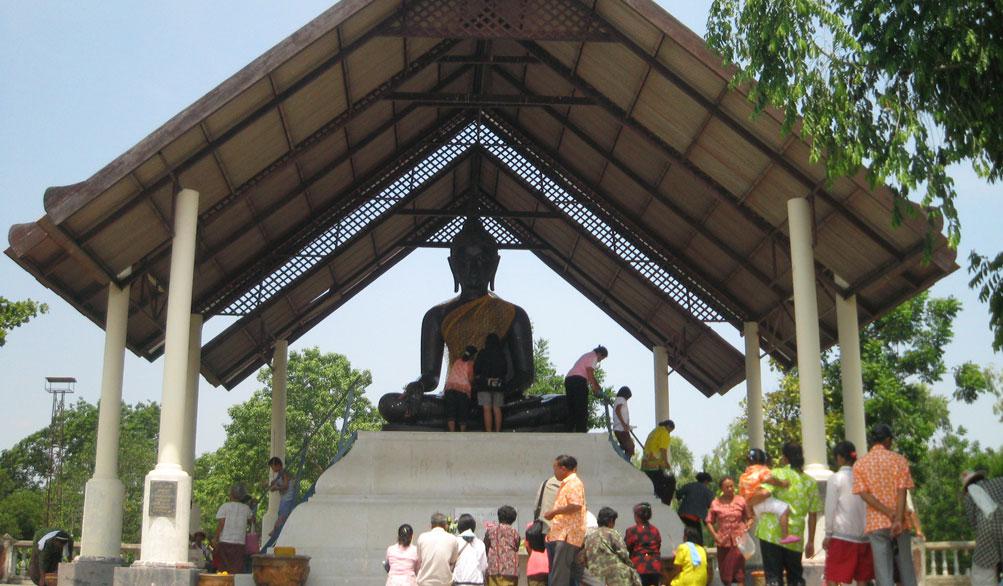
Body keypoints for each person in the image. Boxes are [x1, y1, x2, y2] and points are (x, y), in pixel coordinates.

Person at [391, 219, 534, 421]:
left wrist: (493, 393)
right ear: (453, 266)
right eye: (465, 262)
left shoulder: (514, 314)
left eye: (481, 261)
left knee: (562, 404)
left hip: (500, 399)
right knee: (392, 405)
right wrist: (418, 386)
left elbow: (525, 376)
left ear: (494, 265)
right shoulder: (436, 316)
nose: (473, 269)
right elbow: (431, 376)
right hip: (455, 397)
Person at [852, 423, 917, 586]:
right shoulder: (899, 460)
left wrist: (887, 512)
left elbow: (864, 494)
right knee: (906, 569)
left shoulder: (860, 464)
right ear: (887, 440)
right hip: (900, 523)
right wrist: (898, 518)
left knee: (883, 573)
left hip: (877, 523)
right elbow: (902, 491)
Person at [753, 443, 821, 586]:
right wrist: (810, 541)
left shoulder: (777, 473)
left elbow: (764, 493)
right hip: (795, 536)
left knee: (773, 578)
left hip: (771, 533)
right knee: (796, 578)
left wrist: (750, 498)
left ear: (785, 458)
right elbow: (813, 514)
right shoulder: (810, 482)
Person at [823, 441, 873, 586]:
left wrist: (828, 534)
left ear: (839, 457)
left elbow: (830, 508)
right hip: (864, 536)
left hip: (842, 535)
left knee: (833, 575)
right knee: (862, 578)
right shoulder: (864, 478)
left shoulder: (835, 478)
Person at [739, 448, 800, 544]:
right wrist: (782, 483)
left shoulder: (743, 476)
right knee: (785, 508)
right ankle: (785, 536)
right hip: (764, 502)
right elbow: (770, 480)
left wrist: (750, 513)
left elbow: (743, 495)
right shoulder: (763, 470)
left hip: (755, 507)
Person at [543, 454, 587, 586]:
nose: (554, 472)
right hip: (566, 536)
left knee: (559, 577)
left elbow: (575, 505)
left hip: (566, 536)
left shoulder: (573, 483)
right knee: (577, 572)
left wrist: (553, 512)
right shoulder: (568, 483)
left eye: (555, 468)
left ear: (563, 468)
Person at [580, 506, 641, 585]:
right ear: (611, 521)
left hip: (594, 576)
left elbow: (581, 557)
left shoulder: (588, 535)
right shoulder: (612, 533)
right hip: (614, 576)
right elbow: (624, 554)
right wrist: (632, 567)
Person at [706, 476, 750, 586]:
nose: (730, 489)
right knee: (726, 575)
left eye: (731, 486)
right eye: (727, 487)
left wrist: (747, 526)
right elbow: (708, 521)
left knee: (740, 574)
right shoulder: (715, 503)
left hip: (740, 541)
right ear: (722, 488)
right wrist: (715, 536)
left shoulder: (741, 500)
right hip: (723, 543)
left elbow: (750, 517)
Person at [962, 470, 1003, 586]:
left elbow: (974, 523)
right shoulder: (1000, 481)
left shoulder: (969, 495)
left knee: (982, 572)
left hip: (987, 531)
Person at [564, 345, 607, 432]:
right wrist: (596, 388)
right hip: (578, 380)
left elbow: (588, 375)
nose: (599, 361)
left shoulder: (587, 355)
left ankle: (569, 430)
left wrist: (596, 386)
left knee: (572, 409)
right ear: (600, 354)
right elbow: (589, 372)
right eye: (601, 359)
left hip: (569, 380)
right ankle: (581, 432)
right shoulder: (594, 356)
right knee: (581, 409)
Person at [214, 482, 253, 574]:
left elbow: (221, 524)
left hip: (225, 541)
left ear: (230, 494)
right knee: (237, 569)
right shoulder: (246, 508)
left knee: (224, 568)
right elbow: (251, 521)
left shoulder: (224, 507)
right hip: (240, 542)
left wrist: (216, 537)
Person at [475, 333, 508, 432]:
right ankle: (497, 431)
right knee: (497, 409)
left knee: (486, 409)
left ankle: (489, 432)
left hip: (484, 384)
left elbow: (477, 369)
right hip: (498, 384)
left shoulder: (482, 353)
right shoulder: (501, 354)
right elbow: (505, 370)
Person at [416, 512, 460, 586]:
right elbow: (453, 560)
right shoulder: (452, 539)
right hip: (445, 583)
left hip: (424, 583)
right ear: (445, 525)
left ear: (431, 525)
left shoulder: (422, 537)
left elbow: (420, 559)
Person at [625, 502, 663, 586]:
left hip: (639, 567)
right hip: (655, 567)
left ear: (636, 516)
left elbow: (627, 548)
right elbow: (658, 545)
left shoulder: (632, 531)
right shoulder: (655, 530)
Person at [641, 419, 676, 505]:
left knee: (655, 486)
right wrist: (667, 464)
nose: (669, 433)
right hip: (655, 466)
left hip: (645, 465)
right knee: (671, 481)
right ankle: (665, 505)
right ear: (668, 426)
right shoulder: (664, 433)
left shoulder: (653, 432)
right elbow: (663, 450)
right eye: (670, 431)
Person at [484, 505, 521, 586]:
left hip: (494, 570)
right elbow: (517, 547)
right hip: (511, 571)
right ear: (513, 519)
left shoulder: (490, 531)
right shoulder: (515, 533)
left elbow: (486, 546)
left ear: (499, 517)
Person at [444, 345, 477, 431]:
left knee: (451, 411)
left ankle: (452, 432)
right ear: (473, 355)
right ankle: (462, 433)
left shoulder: (457, 361)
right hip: (462, 390)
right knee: (463, 412)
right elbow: (470, 378)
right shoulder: (470, 364)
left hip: (450, 388)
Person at [676, 472, 715, 546]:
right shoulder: (708, 492)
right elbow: (712, 506)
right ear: (706, 481)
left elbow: (678, 494)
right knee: (698, 540)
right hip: (694, 519)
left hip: (681, 516)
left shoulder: (689, 485)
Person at [452, 514, 488, 586]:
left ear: (459, 528)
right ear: (473, 528)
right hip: (477, 583)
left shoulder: (455, 542)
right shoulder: (480, 543)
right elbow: (484, 567)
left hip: (459, 582)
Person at [267, 456, 296, 537]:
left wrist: (276, 487)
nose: (272, 469)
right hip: (285, 498)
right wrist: (272, 485)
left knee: (282, 515)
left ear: (277, 465)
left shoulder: (284, 473)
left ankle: (275, 529)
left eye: (272, 467)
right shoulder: (280, 474)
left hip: (288, 498)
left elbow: (286, 486)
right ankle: (276, 529)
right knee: (282, 514)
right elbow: (275, 485)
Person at [611, 386, 635, 457]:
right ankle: (625, 459)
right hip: (620, 428)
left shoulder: (619, 400)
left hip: (621, 428)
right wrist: (624, 425)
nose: (627, 399)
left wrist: (627, 426)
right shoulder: (621, 399)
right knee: (630, 447)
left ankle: (622, 452)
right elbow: (617, 411)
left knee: (629, 447)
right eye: (628, 398)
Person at [524, 521, 550, 586]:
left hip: (533, 569)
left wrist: (532, 554)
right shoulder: (550, 525)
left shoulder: (531, 526)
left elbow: (527, 545)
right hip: (548, 568)